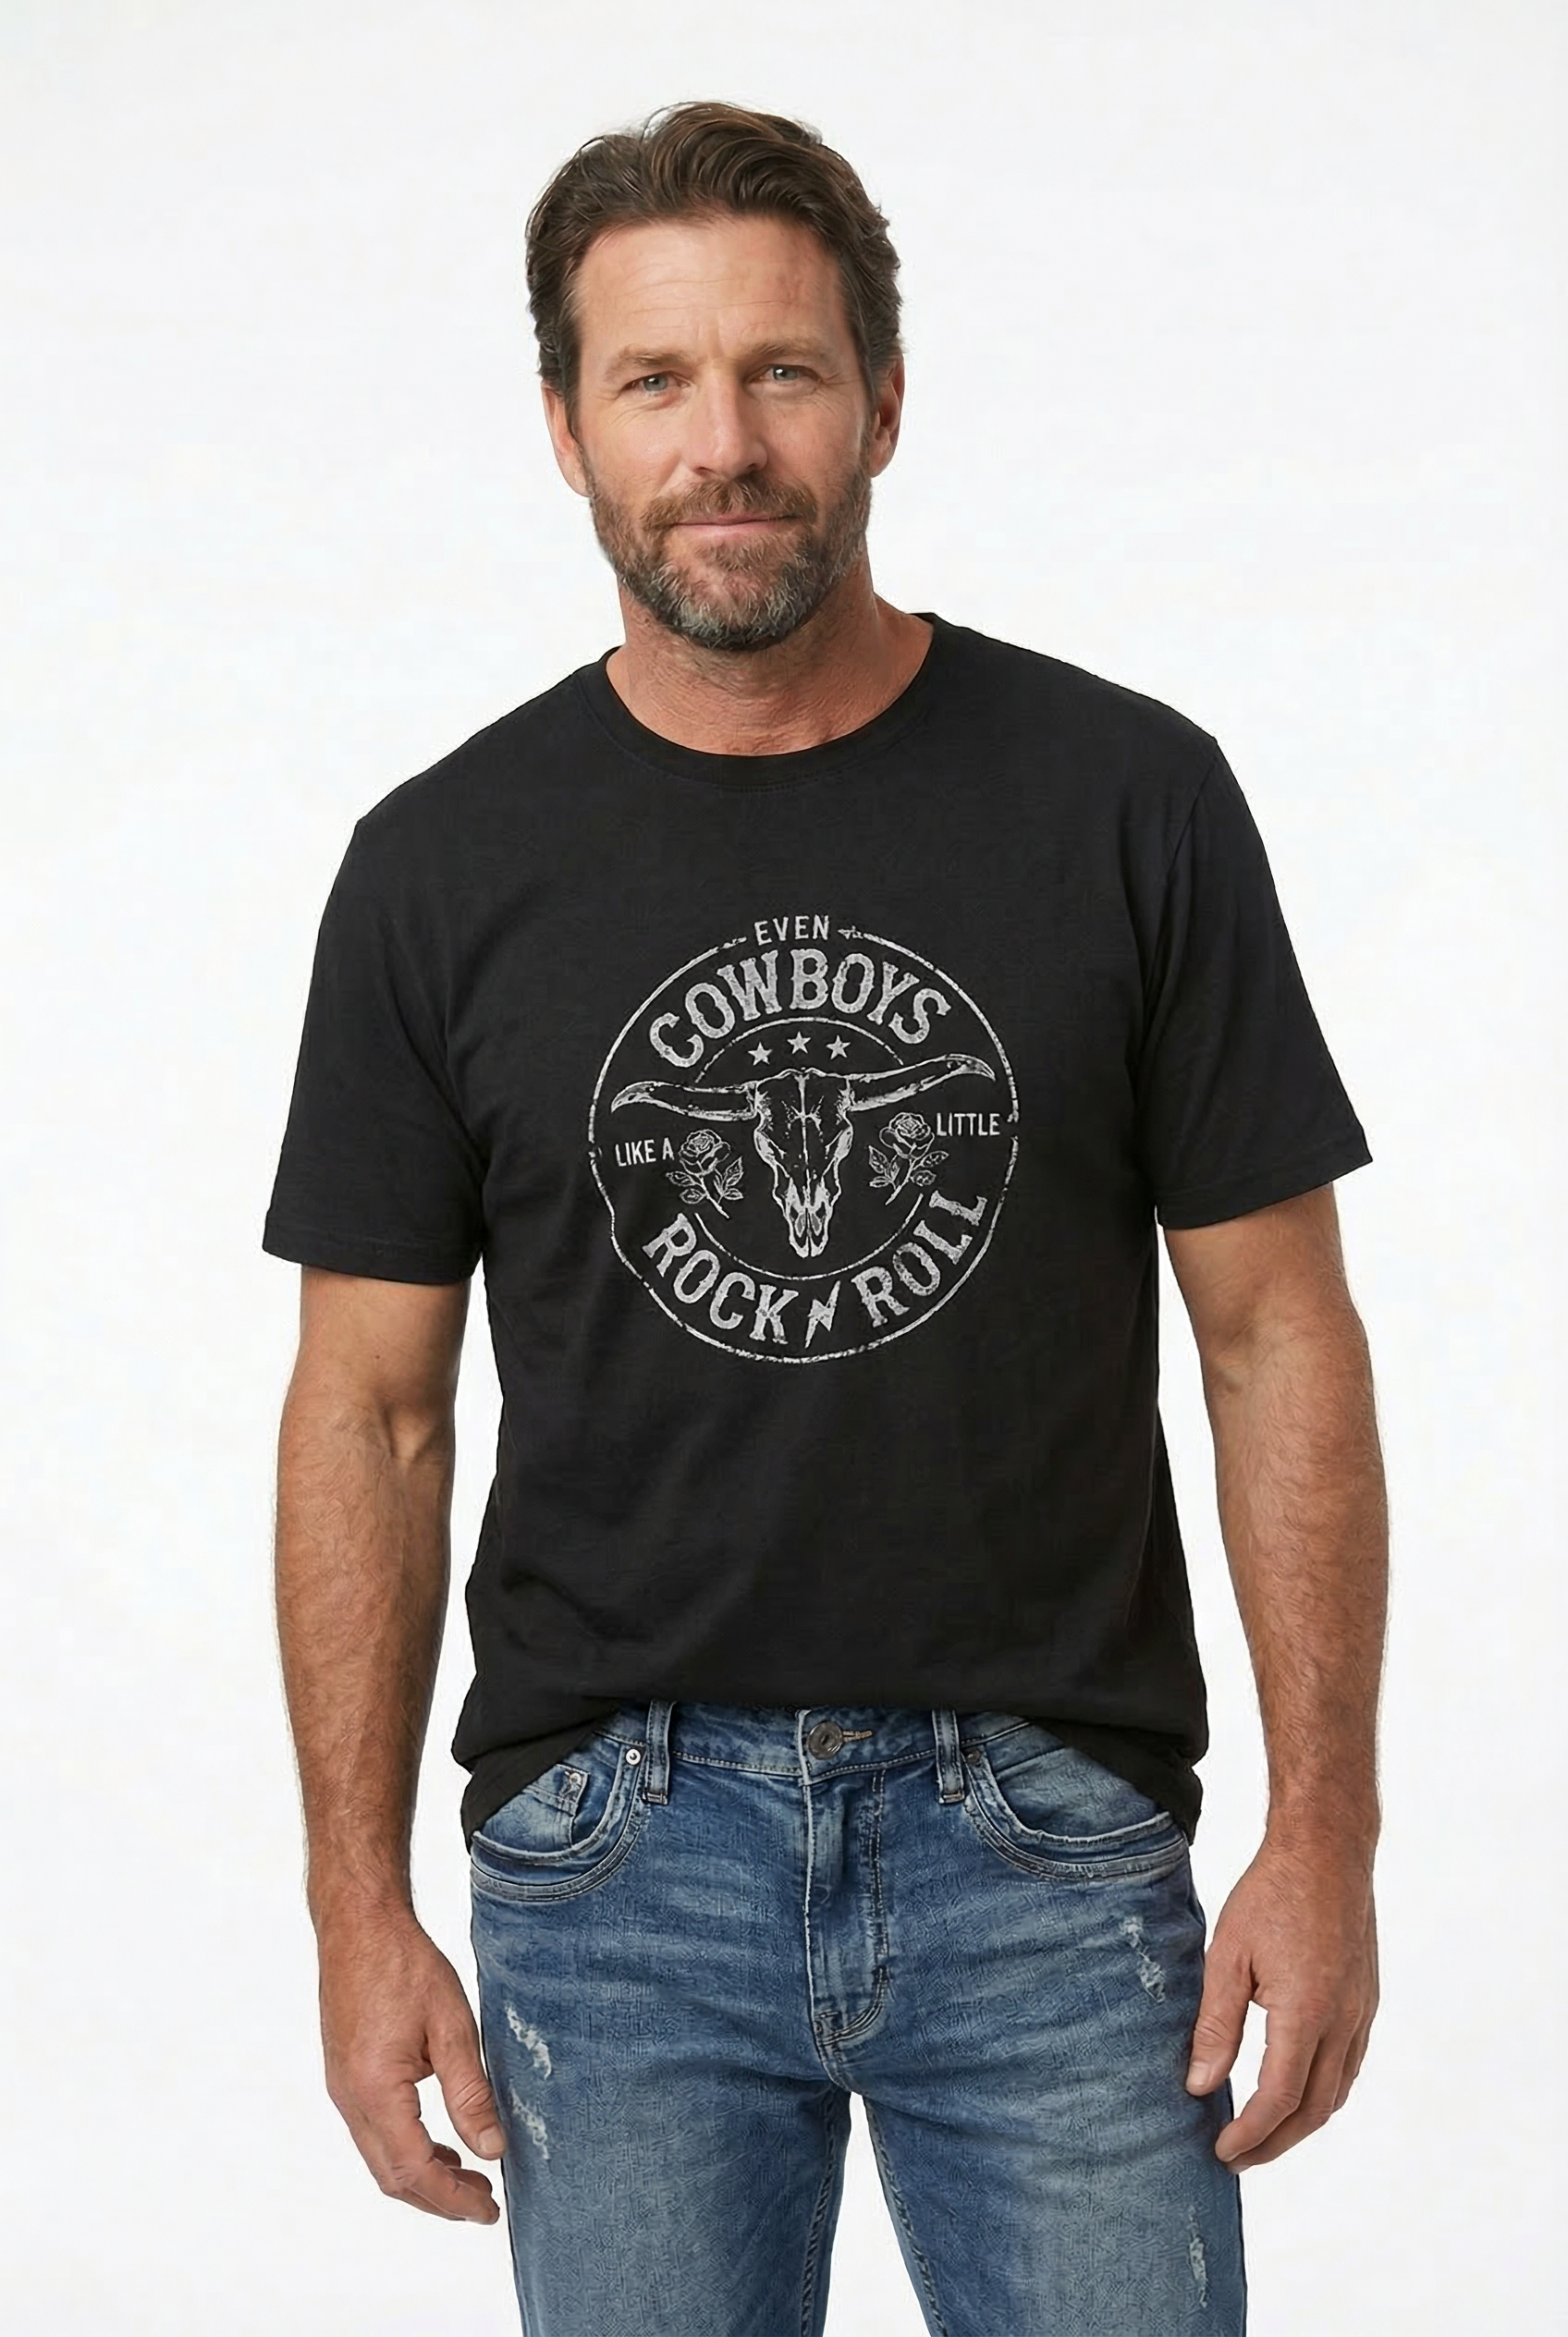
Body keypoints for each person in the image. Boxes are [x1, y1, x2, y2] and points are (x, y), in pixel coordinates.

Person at [263, 98, 1386, 2336]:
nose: (723, 445)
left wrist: (1324, 1829)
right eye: (652, 381)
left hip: (1049, 1843)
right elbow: (368, 1411)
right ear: (565, 430)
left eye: (780, 369)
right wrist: (352, 1910)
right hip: (612, 1862)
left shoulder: (1126, 800)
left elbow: (1275, 1330)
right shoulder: (437, 868)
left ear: (879, 396)